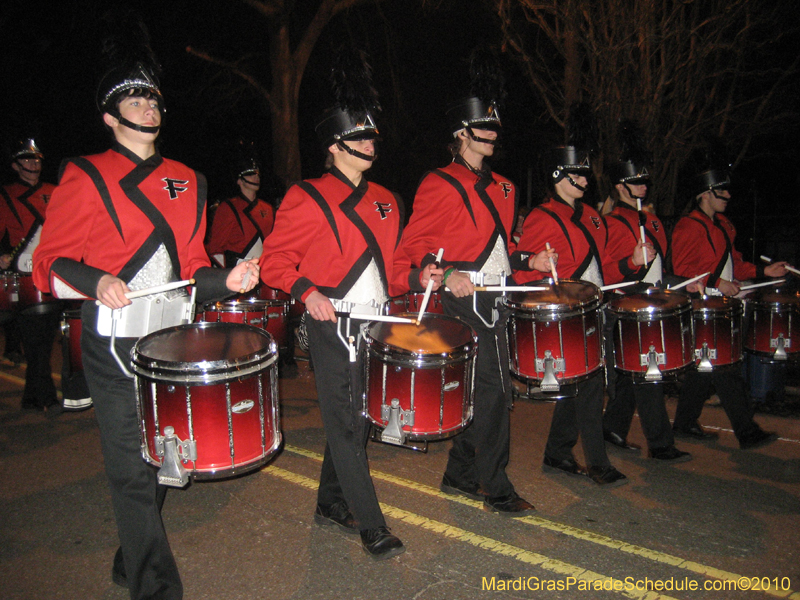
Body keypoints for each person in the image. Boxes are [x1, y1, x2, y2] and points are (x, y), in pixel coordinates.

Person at [32, 23, 257, 599]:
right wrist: (96, 279)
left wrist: (226, 279)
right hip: (111, 340)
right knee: (131, 465)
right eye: (134, 100)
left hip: (171, 340)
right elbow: (49, 260)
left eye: (153, 98)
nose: (148, 107)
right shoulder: (84, 173)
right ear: (110, 116)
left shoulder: (190, 180)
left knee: (163, 454)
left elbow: (193, 265)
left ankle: (131, 551)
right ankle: (155, 587)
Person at [259, 48, 440, 560]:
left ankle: (329, 501)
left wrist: (418, 276)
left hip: (376, 321)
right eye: (358, 138)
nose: (368, 144)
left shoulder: (387, 199)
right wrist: (308, 291)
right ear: (333, 146)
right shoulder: (306, 196)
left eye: (371, 137)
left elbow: (392, 268)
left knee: (360, 419)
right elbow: (275, 262)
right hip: (331, 322)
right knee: (344, 420)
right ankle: (371, 524)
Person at [400, 53, 538, 514]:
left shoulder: (506, 188)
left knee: (490, 392)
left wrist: (529, 259)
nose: (492, 134)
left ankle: (459, 473)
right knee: (494, 391)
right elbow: (415, 243)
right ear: (462, 132)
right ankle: (495, 486)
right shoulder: (438, 182)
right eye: (484, 127)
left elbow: (501, 247)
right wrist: (446, 274)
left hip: (499, 296)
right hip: (462, 300)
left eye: (496, 127)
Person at [513, 105, 627, 486]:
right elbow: (522, 273)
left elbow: (605, 266)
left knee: (584, 385)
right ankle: (598, 463)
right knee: (592, 386)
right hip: (569, 318)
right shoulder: (541, 217)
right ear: (557, 176)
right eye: (575, 173)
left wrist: (631, 266)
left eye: (584, 172)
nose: (583, 179)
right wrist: (539, 266)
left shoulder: (594, 216)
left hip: (598, 310)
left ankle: (558, 451)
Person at [670, 161, 784, 449]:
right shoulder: (688, 226)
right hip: (703, 306)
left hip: (723, 306)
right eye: (722, 191)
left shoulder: (724, 225)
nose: (728, 196)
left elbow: (735, 264)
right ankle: (747, 431)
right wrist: (717, 282)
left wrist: (763, 271)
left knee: (704, 367)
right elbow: (681, 269)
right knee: (726, 367)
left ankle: (684, 423)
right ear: (705, 194)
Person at [600, 120, 690, 462]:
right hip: (625, 308)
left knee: (632, 376)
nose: (643, 186)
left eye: (644, 181)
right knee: (649, 373)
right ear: (620, 186)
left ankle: (612, 428)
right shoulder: (609, 223)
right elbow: (603, 274)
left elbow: (659, 271)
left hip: (652, 306)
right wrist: (630, 262)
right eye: (636, 181)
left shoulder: (653, 222)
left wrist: (684, 281)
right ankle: (661, 444)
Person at [0, 138, 61, 412]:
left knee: (46, 337)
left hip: (55, 270)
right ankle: (46, 396)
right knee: (35, 337)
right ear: (15, 166)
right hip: (25, 272)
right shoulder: (6, 194)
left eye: (36, 159)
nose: (32, 164)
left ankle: (31, 397)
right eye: (26, 159)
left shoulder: (55, 191)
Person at [206, 147, 274, 268]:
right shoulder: (228, 207)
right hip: (238, 270)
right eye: (250, 174)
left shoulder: (268, 208)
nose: (256, 177)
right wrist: (227, 273)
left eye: (257, 174)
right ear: (239, 180)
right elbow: (215, 248)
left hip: (265, 269)